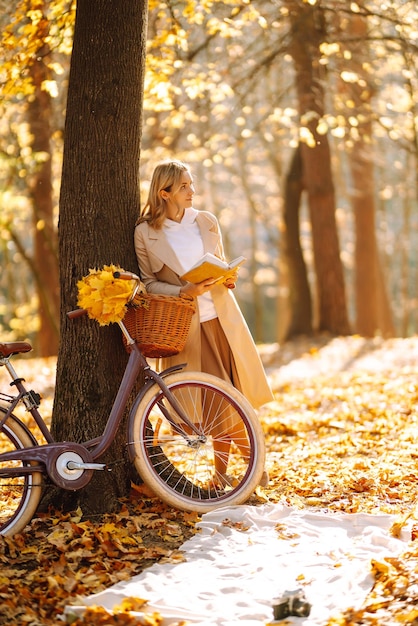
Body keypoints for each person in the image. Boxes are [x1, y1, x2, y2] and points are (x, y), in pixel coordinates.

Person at [134, 159, 274, 486]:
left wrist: (227, 277)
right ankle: (254, 469)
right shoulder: (145, 232)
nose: (192, 191)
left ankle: (225, 474)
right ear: (164, 192)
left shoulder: (206, 221)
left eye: (191, 183)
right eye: (184, 186)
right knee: (214, 401)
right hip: (186, 326)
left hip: (223, 320)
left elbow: (220, 264)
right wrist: (184, 289)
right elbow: (148, 282)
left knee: (228, 398)